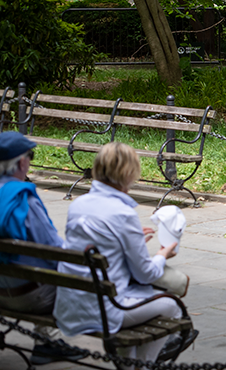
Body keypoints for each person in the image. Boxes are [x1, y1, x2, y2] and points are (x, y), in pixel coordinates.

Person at [54, 142, 196, 363]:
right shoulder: (123, 214)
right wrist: (163, 254)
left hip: (71, 305)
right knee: (173, 306)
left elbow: (98, 238)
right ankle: (144, 366)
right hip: (106, 309)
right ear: (129, 174)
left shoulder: (78, 205)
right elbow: (145, 274)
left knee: (149, 298)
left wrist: (128, 238)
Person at [0, 131, 85, 365]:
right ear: (21, 162)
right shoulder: (23, 200)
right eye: (29, 155)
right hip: (35, 296)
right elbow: (54, 250)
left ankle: (46, 344)